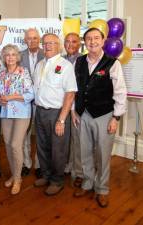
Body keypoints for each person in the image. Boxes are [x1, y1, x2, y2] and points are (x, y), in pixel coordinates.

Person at [73, 28, 127, 208]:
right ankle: (88, 183)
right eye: (88, 38)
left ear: (103, 41)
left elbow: (120, 92)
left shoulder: (113, 63)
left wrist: (116, 118)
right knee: (84, 151)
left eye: (96, 38)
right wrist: (74, 110)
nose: (92, 41)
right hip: (83, 114)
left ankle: (102, 189)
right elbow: (75, 89)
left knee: (103, 154)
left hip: (104, 115)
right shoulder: (79, 62)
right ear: (85, 42)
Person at [33, 33, 77, 196]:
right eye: (45, 43)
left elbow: (70, 94)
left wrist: (61, 120)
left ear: (58, 45)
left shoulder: (65, 66)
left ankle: (57, 180)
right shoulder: (39, 64)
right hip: (40, 111)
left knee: (58, 149)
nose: (48, 46)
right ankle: (46, 175)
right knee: (42, 146)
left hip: (57, 113)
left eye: (51, 43)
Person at [0, 44, 34, 195]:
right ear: (4, 58)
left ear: (17, 57)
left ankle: (18, 179)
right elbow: (0, 95)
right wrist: (2, 100)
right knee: (7, 145)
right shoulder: (1, 74)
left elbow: (30, 94)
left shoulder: (23, 72)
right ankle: (14, 174)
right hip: (6, 113)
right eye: (7, 55)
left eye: (13, 54)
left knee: (15, 145)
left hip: (21, 113)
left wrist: (11, 97)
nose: (10, 57)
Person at [20, 28, 44, 178]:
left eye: (35, 38)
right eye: (29, 38)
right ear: (25, 40)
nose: (32, 41)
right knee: (24, 134)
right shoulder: (19, 56)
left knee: (41, 134)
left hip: (42, 102)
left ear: (39, 39)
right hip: (24, 102)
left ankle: (39, 165)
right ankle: (26, 163)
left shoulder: (47, 54)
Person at [63, 32, 83, 187]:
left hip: (76, 108)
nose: (70, 44)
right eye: (67, 41)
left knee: (77, 141)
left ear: (79, 44)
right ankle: (66, 166)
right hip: (61, 106)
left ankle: (78, 172)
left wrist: (73, 109)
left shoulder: (84, 61)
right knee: (64, 139)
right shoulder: (59, 60)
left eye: (74, 41)